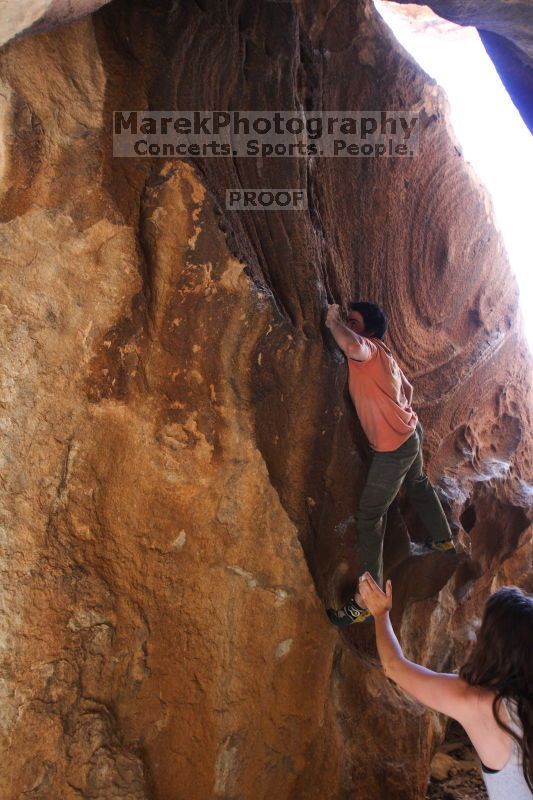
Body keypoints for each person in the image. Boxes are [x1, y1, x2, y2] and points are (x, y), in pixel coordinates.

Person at [325, 301, 455, 625]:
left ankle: (364, 602)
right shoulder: (385, 354)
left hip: (395, 447)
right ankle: (444, 538)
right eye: (346, 320)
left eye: (353, 321)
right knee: (418, 483)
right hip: (411, 431)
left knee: (370, 516)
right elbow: (407, 389)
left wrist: (331, 321)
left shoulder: (365, 349)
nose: (347, 324)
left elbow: (351, 343)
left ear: (368, 331)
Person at [358, 574, 533, 799]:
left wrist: (381, 614)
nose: (476, 628)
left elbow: (394, 666)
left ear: (496, 646)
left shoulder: (482, 705)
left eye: (483, 625)